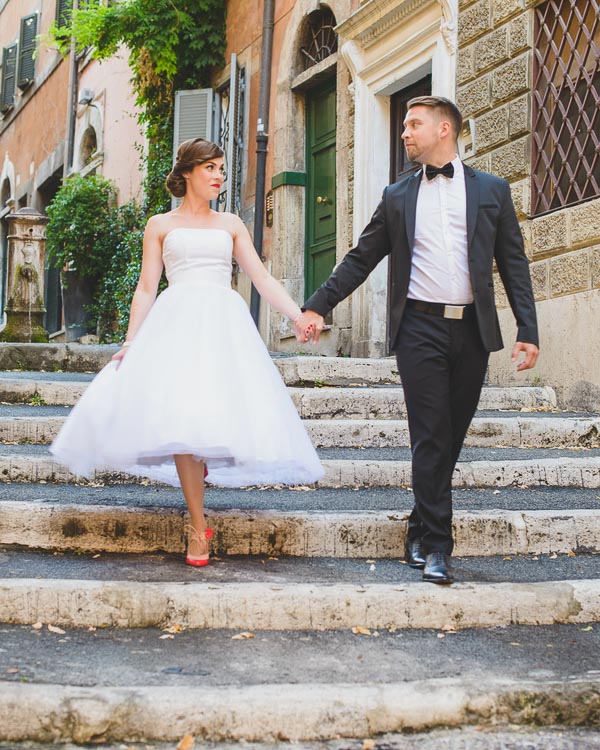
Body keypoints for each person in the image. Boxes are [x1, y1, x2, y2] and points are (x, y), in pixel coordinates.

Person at [295, 96, 539, 585]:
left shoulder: (492, 190)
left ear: (444, 129)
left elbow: (513, 261)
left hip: (472, 330)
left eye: (414, 124)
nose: (405, 133)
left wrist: (527, 330)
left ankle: (417, 523)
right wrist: (318, 304)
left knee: (449, 439)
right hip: (420, 330)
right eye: (404, 124)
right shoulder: (398, 196)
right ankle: (437, 547)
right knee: (430, 435)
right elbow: (360, 257)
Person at [51, 138, 323, 567]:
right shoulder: (160, 224)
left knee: (212, 408)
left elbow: (263, 279)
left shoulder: (232, 224)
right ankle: (199, 525)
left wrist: (298, 316)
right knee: (181, 416)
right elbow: (146, 287)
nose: (218, 176)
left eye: (221, 169)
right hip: (175, 320)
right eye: (211, 168)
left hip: (222, 323)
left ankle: (203, 462)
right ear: (188, 173)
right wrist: (129, 343)